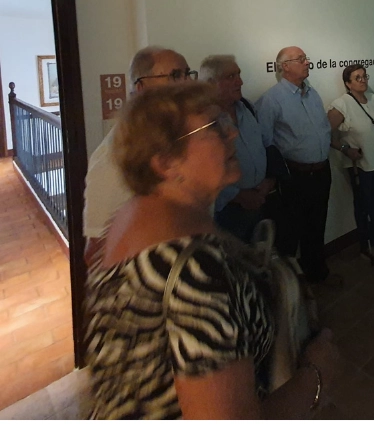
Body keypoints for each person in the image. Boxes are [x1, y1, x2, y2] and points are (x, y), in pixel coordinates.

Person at [84, 83, 340, 419]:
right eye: (214, 127)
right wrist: (317, 374)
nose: (232, 133)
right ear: (166, 162)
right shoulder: (194, 272)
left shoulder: (133, 216)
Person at [83, 46, 196, 264]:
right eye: (175, 76)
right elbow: (96, 252)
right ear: (142, 87)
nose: (187, 83)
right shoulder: (114, 156)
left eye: (187, 74)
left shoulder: (175, 135)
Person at [256, 46, 340, 286]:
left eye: (306, 58)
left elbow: (322, 128)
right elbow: (265, 142)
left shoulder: (312, 93)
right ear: (285, 67)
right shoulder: (271, 100)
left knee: (317, 225)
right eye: (300, 59)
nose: (307, 62)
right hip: (295, 177)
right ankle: (291, 287)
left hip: (321, 171)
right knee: (290, 233)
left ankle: (317, 273)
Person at [199, 55, 277, 243]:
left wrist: (269, 181)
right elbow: (201, 172)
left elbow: (266, 145)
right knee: (233, 264)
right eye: (230, 76)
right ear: (210, 83)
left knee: (259, 260)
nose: (240, 81)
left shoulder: (248, 107)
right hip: (227, 212)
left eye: (238, 75)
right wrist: (238, 196)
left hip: (260, 201)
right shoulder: (201, 121)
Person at [327, 64, 374, 266]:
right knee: (363, 206)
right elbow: (325, 134)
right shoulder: (342, 104)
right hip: (360, 166)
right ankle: (366, 247)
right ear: (347, 83)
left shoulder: (373, 99)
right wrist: (345, 149)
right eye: (357, 77)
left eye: (364, 76)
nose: (363, 80)